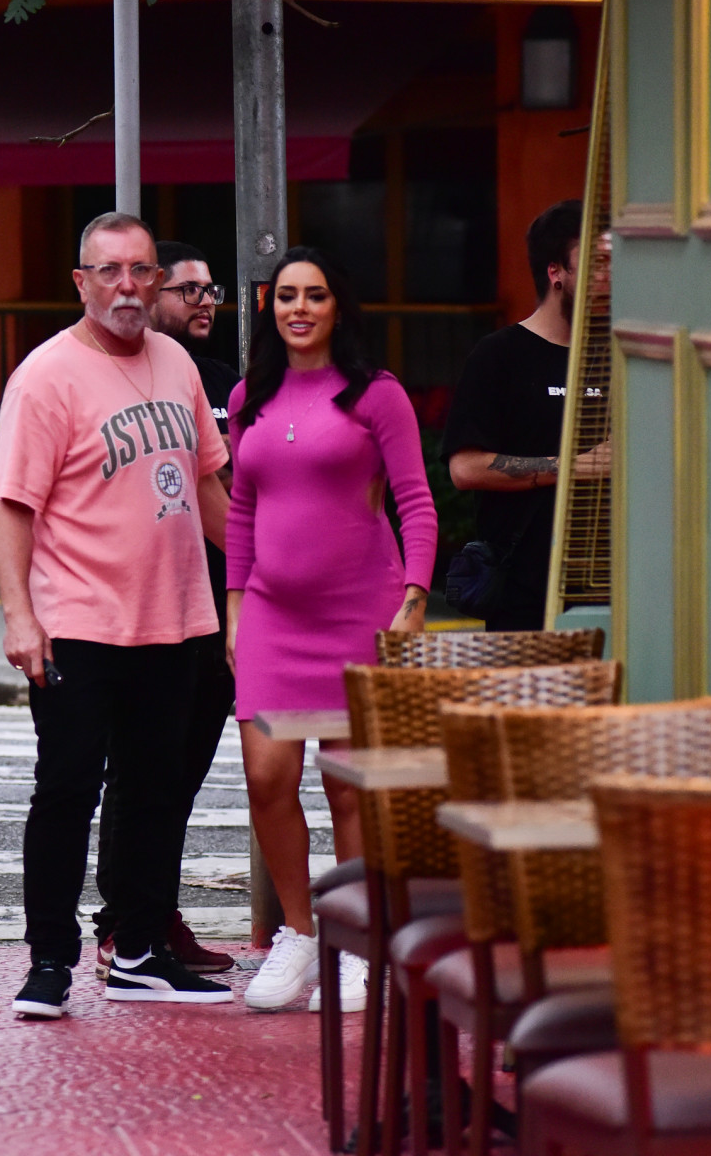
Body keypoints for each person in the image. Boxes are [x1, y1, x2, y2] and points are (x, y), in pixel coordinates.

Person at [0, 211, 236, 1019]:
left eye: (140, 271)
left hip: (173, 619)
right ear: (82, 282)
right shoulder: (46, 376)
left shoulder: (177, 363)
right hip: (78, 625)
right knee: (67, 792)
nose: (127, 286)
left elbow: (207, 487)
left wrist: (265, 569)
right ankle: (49, 962)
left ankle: (138, 951)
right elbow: (12, 510)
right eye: (109, 271)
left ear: (156, 280)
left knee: (156, 793)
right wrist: (20, 618)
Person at [225, 246, 438, 1013]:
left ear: (336, 306)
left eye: (315, 295)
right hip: (272, 617)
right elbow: (242, 508)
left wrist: (414, 597)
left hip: (360, 617)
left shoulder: (376, 395)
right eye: (287, 296)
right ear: (271, 308)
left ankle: (360, 944)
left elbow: (416, 500)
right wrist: (234, 607)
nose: (300, 308)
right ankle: (301, 933)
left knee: (349, 791)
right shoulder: (249, 397)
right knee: (266, 779)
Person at [91, 240, 239, 978]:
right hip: (144, 606)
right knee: (138, 773)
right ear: (151, 295)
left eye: (212, 290)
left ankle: (155, 913)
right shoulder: (122, 375)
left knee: (180, 779)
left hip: (218, 606)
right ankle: (123, 922)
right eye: (189, 290)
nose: (205, 302)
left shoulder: (222, 381)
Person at [441, 200, 608, 632]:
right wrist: (573, 466)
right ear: (556, 272)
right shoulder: (500, 356)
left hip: (613, 585)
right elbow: (465, 468)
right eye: (597, 263)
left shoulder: (622, 356)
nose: (609, 276)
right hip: (523, 594)